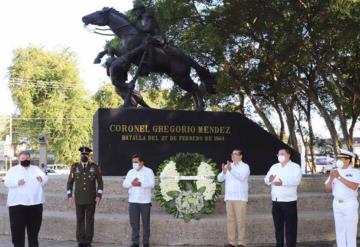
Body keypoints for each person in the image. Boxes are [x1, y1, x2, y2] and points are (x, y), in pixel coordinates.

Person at [4, 150, 48, 247]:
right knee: (17, 232)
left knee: (33, 232)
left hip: (35, 204)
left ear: (30, 159)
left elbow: (45, 179)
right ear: (19, 159)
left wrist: (42, 180)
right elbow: (6, 182)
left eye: (27, 158)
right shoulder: (13, 170)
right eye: (23, 158)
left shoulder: (36, 169)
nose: (25, 160)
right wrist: (17, 183)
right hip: (17, 205)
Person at [264, 148, 302, 247]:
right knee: (278, 228)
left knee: (290, 229)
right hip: (276, 201)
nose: (279, 156)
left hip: (289, 202)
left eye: (282, 154)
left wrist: (283, 182)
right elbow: (266, 179)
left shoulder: (295, 167)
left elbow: (296, 181)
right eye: (278, 154)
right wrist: (269, 179)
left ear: (288, 155)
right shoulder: (274, 167)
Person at [66, 146, 103, 247]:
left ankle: (88, 241)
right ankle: (81, 240)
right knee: (80, 219)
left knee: (90, 220)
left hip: (91, 199)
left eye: (86, 155)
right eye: (82, 154)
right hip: (79, 199)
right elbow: (69, 183)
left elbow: (100, 183)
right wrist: (69, 195)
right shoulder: (75, 167)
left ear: (89, 156)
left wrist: (99, 195)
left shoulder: (95, 167)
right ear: (80, 155)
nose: (84, 156)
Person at [324, 148, 360, 247]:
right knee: (339, 230)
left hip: (350, 204)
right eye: (338, 158)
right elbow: (327, 189)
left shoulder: (355, 172)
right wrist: (331, 178)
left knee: (350, 231)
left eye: (342, 158)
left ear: (348, 160)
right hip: (336, 204)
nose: (339, 160)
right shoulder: (335, 171)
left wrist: (339, 177)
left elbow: (354, 186)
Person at [217, 149, 250, 247]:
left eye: (235, 154)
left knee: (240, 221)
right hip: (229, 198)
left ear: (241, 156)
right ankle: (231, 242)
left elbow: (242, 177)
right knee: (230, 220)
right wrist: (223, 172)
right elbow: (219, 179)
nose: (233, 156)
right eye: (232, 154)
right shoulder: (228, 165)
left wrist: (231, 170)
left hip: (240, 198)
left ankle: (241, 243)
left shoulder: (245, 166)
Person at [123, 154, 155, 247]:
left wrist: (141, 183)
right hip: (133, 201)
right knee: (134, 223)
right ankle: (135, 242)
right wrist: (132, 183)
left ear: (141, 162)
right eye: (133, 162)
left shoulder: (149, 171)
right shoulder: (130, 172)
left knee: (145, 223)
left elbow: (152, 184)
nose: (134, 164)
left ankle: (145, 242)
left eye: (136, 162)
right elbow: (124, 184)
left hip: (145, 201)